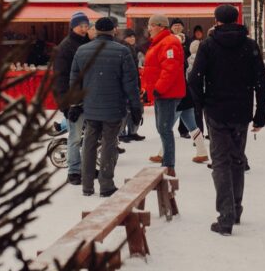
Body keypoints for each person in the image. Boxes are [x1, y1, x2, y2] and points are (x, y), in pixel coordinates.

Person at [189, 4, 265, 236]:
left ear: (217, 21)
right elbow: (261, 81)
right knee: (236, 160)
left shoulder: (208, 45)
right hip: (241, 111)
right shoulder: (249, 45)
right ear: (237, 19)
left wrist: (203, 101)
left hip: (216, 110)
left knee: (221, 162)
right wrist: (260, 114)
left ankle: (226, 216)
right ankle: (236, 208)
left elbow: (194, 79)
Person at [70, 17, 143, 197]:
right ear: (114, 31)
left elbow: (75, 81)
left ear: (95, 30)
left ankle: (87, 185)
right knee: (109, 145)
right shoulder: (122, 51)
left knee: (89, 143)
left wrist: (75, 104)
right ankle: (106, 184)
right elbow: (130, 83)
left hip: (90, 106)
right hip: (113, 107)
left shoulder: (82, 50)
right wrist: (136, 106)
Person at [142, 14, 187, 176]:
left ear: (160, 26)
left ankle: (168, 165)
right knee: (162, 127)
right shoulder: (162, 42)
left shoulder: (169, 43)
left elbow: (170, 69)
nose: (149, 28)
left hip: (167, 93)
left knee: (164, 128)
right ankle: (167, 163)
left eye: (151, 25)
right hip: (163, 92)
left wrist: (158, 88)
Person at [53, 12, 90, 186]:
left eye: (86, 25)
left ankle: (86, 167)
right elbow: (60, 77)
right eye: (81, 25)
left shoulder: (89, 43)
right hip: (73, 98)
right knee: (75, 137)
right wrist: (65, 103)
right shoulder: (66, 47)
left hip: (89, 97)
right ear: (73, 26)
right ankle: (74, 171)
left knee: (89, 136)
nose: (84, 29)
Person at [119, 28, 146, 143]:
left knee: (134, 108)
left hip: (133, 82)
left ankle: (132, 132)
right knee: (127, 109)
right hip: (126, 84)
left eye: (133, 36)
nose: (132, 38)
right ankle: (122, 133)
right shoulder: (123, 49)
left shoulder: (133, 49)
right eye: (129, 36)